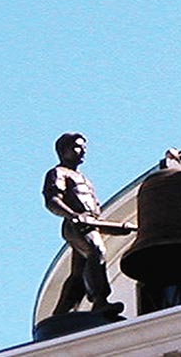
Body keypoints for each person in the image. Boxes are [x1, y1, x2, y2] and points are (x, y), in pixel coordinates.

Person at [43, 132, 124, 315]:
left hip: (91, 222)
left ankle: (62, 312)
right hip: (77, 224)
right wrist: (72, 215)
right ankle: (100, 300)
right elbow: (52, 201)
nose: (82, 151)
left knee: (78, 274)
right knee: (97, 251)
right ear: (63, 151)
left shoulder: (85, 180)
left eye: (84, 147)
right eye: (77, 147)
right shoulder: (58, 173)